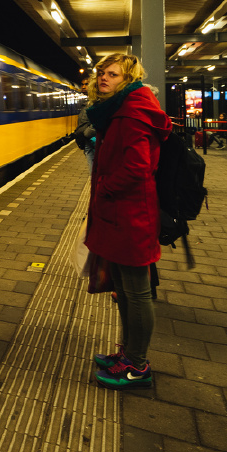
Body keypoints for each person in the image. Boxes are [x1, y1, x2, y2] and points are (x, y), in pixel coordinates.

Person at [84, 53, 173, 389]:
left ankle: (137, 366)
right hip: (120, 212)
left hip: (131, 213)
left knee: (136, 293)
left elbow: (137, 167)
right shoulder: (120, 109)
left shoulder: (133, 112)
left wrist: (105, 188)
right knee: (122, 289)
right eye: (102, 72)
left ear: (129, 79)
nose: (103, 78)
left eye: (113, 74)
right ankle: (127, 354)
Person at [73, 77, 96, 174]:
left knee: (94, 173)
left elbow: (98, 120)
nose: (83, 87)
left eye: (86, 84)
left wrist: (87, 133)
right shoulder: (89, 101)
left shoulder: (95, 101)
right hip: (89, 142)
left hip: (92, 142)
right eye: (82, 84)